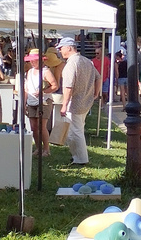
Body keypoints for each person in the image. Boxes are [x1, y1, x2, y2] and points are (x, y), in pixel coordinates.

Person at [56, 36, 100, 166]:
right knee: (77, 129)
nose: (59, 51)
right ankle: (76, 157)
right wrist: (95, 93)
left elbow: (68, 86)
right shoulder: (86, 61)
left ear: (69, 48)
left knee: (75, 132)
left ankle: (81, 159)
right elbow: (98, 77)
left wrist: (64, 105)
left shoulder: (71, 64)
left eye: (61, 48)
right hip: (86, 101)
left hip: (74, 103)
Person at [23, 48, 59, 157]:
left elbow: (55, 85)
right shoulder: (29, 72)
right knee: (33, 127)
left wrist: (43, 92)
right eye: (31, 60)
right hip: (31, 101)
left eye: (35, 60)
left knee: (41, 126)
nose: (32, 62)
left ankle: (46, 149)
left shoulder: (46, 71)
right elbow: (27, 89)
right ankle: (39, 148)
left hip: (44, 101)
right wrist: (24, 103)